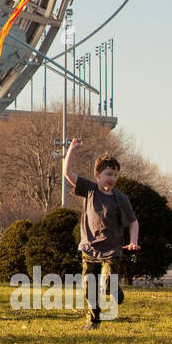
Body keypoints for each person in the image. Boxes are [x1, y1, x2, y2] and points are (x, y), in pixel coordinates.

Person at [63, 138, 138, 329]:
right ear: (97, 174)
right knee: (89, 285)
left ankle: (114, 291)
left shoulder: (121, 198)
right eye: (108, 174)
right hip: (89, 249)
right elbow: (67, 173)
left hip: (112, 250)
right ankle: (94, 320)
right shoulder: (89, 190)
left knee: (106, 281)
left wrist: (133, 242)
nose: (112, 178)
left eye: (115, 175)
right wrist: (71, 149)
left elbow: (133, 222)